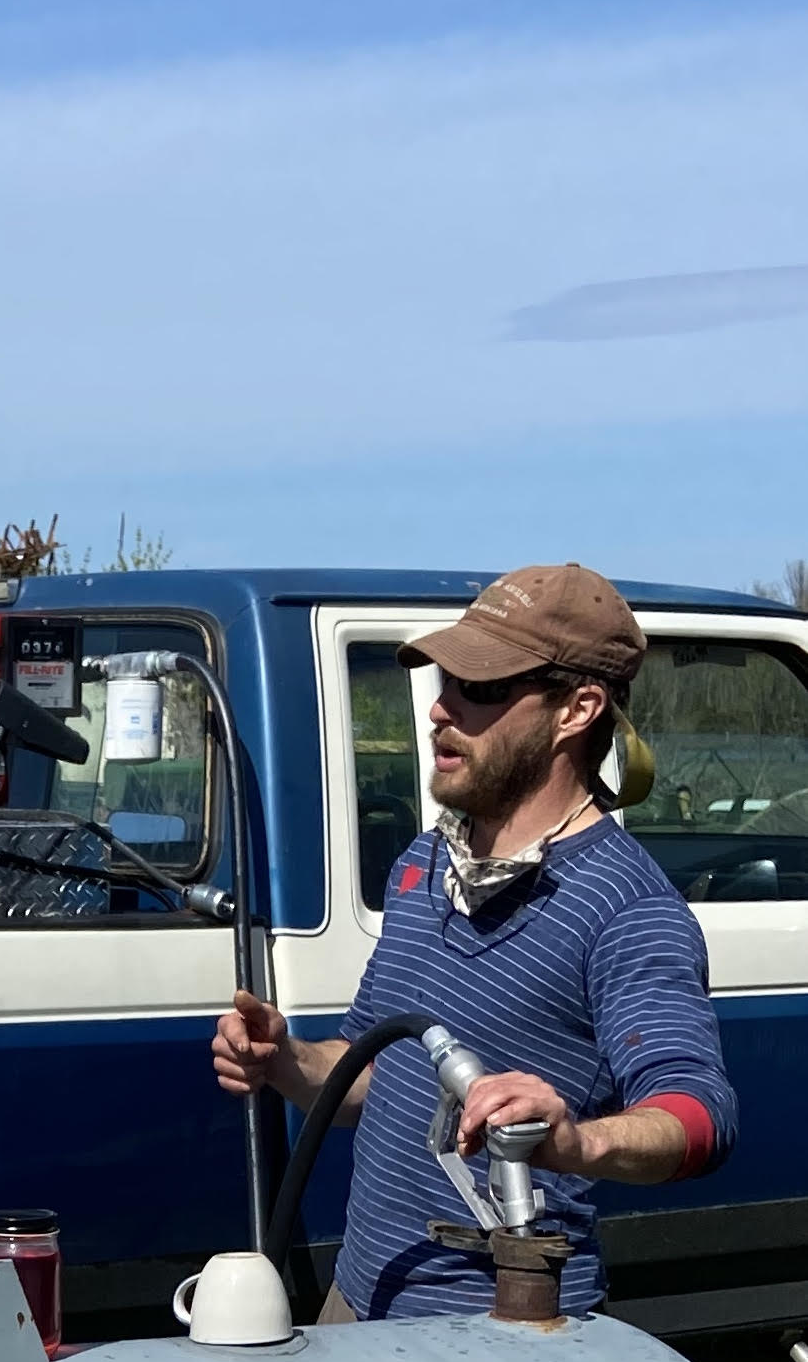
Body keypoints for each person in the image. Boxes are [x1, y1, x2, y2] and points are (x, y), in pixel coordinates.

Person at [212, 563, 734, 1321]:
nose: (440, 711)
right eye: (444, 681)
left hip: (499, 1331)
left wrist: (576, 1142)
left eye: (481, 690)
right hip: (360, 1298)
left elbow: (699, 1114)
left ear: (576, 710)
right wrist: (285, 1063)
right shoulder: (425, 862)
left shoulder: (626, 908)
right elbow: (374, 1072)